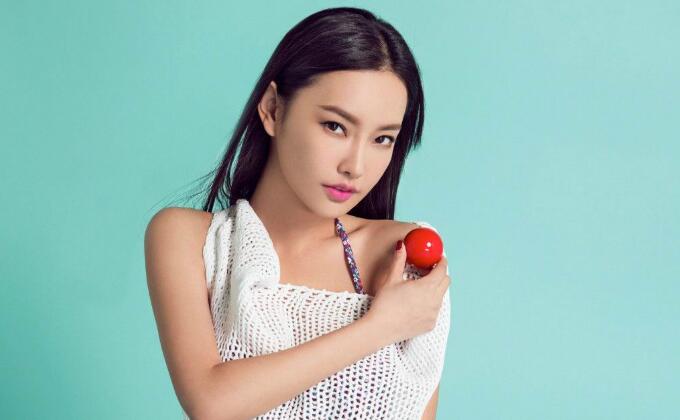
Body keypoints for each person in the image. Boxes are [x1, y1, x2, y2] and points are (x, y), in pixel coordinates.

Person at [144, 6, 452, 419]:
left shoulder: (404, 255)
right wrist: (379, 327)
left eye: (382, 139)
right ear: (273, 108)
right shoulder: (189, 240)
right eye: (335, 126)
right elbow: (212, 404)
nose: (356, 166)